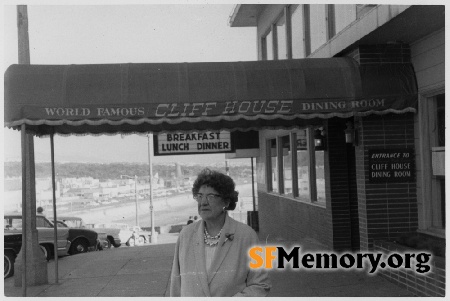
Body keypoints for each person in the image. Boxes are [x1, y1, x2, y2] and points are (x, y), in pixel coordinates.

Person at [170, 168, 271, 297]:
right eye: (200, 196)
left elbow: (260, 284)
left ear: (226, 201)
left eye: (211, 196)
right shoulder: (186, 235)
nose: (203, 202)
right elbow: (176, 285)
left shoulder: (246, 236)